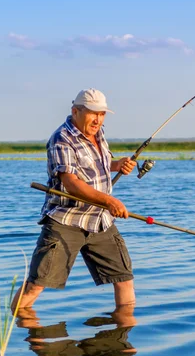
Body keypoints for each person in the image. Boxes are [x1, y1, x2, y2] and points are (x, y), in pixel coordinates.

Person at [11, 88, 137, 313]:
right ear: (75, 111)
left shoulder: (98, 133)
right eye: (92, 113)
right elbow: (71, 182)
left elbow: (100, 164)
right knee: (36, 286)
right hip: (65, 221)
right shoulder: (62, 139)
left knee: (124, 279)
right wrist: (109, 200)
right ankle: (14, 332)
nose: (98, 119)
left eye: (102, 114)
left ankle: (122, 340)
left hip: (99, 221)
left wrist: (118, 165)